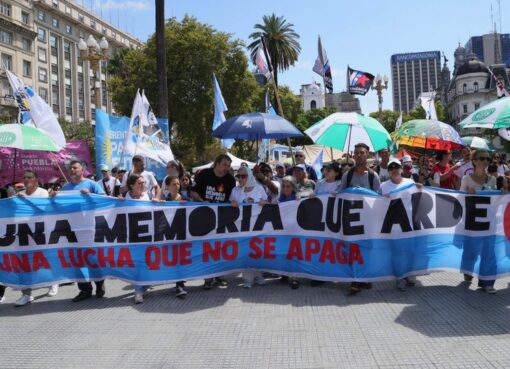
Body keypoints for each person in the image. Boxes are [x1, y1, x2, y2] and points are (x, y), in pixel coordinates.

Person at [52, 160, 106, 302]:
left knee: (93, 258)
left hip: (90, 227)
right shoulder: (66, 187)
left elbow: (104, 200)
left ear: (82, 170)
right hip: (72, 229)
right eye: (70, 168)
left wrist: (90, 195)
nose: (72, 170)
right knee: (78, 260)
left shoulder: (91, 184)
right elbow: (59, 206)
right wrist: (53, 198)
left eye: (75, 168)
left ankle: (99, 284)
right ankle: (84, 290)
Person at [190, 154, 236, 289]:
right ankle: (208, 277)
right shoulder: (204, 174)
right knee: (207, 247)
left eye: (228, 166)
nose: (227, 168)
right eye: (224, 165)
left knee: (220, 247)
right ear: (216, 163)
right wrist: (202, 202)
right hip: (204, 216)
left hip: (222, 218)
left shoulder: (230, 179)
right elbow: (193, 192)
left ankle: (220, 275)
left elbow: (231, 198)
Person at [340, 143, 381, 294]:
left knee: (367, 249)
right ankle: (356, 279)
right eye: (356, 153)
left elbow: (379, 198)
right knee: (353, 249)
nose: (359, 155)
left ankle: (365, 278)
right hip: (351, 219)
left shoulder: (373, 176)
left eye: (362, 153)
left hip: (368, 220)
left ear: (367, 155)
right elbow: (340, 194)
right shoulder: (347, 175)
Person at [14, 170, 59, 306]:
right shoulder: (19, 194)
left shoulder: (42, 193)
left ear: (36, 179)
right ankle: (26, 294)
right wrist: (13, 199)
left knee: (45, 259)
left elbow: (42, 210)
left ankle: (53, 282)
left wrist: (25, 200)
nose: (27, 179)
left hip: (40, 232)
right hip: (24, 233)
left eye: (30, 177)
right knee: (24, 263)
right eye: (25, 177)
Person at [379, 159, 421, 291]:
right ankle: (399, 277)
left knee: (409, 251)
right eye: (391, 167)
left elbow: (419, 199)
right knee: (397, 252)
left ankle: (407, 275)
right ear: (388, 171)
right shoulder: (383, 186)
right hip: (393, 225)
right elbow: (377, 205)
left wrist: (421, 188)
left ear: (401, 169)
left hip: (408, 224)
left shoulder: (410, 183)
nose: (394, 169)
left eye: (396, 167)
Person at [460, 150, 499, 293]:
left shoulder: (493, 180)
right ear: (474, 161)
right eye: (482, 158)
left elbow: (495, 200)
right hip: (471, 220)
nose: (485, 161)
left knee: (488, 250)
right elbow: (458, 198)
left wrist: (501, 194)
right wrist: (467, 193)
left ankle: (487, 281)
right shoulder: (466, 179)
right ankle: (467, 270)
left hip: (488, 221)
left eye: (488, 159)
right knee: (471, 250)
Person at [230, 167, 268, 288]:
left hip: (257, 226)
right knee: (245, 251)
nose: (240, 178)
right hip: (242, 227)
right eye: (238, 176)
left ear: (250, 176)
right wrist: (231, 204)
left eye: (243, 176)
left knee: (257, 251)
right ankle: (247, 278)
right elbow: (227, 206)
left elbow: (268, 203)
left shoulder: (259, 188)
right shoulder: (235, 191)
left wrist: (264, 203)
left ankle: (258, 275)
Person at [277, 176, 300, 289]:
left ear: (293, 187)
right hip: (283, 230)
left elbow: (310, 193)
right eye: (283, 186)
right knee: (283, 252)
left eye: (288, 186)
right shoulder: (279, 199)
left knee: (294, 253)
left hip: (295, 230)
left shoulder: (298, 198)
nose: (285, 188)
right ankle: (285, 274)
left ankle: (294, 277)